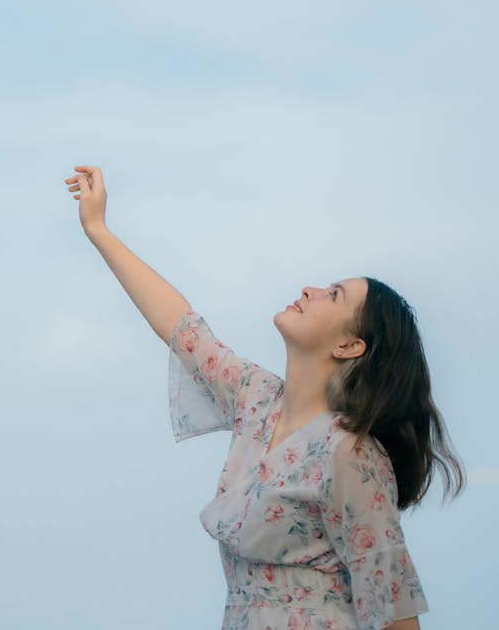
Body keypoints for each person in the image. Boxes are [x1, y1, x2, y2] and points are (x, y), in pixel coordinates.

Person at [64, 164, 465, 630]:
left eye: (332, 295)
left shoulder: (350, 454)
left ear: (349, 346)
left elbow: (395, 613)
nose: (309, 290)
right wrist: (98, 229)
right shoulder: (257, 400)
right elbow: (182, 327)